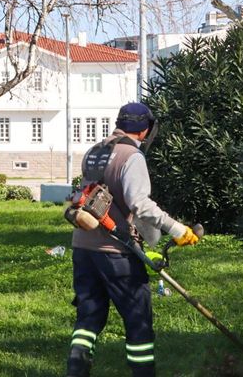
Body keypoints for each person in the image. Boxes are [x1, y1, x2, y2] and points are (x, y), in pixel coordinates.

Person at [65, 103, 200, 377]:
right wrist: (177, 229)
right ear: (146, 130)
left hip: (83, 247)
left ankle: (76, 371)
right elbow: (140, 205)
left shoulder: (94, 151)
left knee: (89, 316)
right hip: (115, 252)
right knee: (138, 319)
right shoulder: (132, 156)